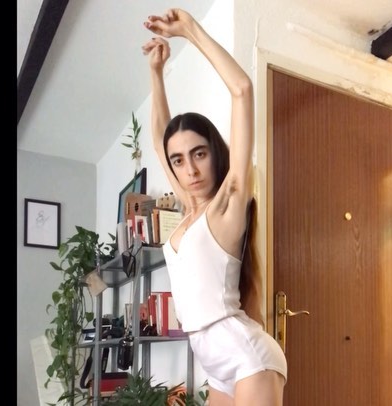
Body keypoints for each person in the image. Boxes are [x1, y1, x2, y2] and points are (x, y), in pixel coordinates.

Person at [142, 8, 287, 406]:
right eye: (179, 160)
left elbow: (242, 89)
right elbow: (159, 139)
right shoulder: (188, 210)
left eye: (199, 153)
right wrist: (156, 74)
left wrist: (191, 31)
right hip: (214, 362)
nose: (190, 169)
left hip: (247, 357)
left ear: (214, 153)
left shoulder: (227, 204)